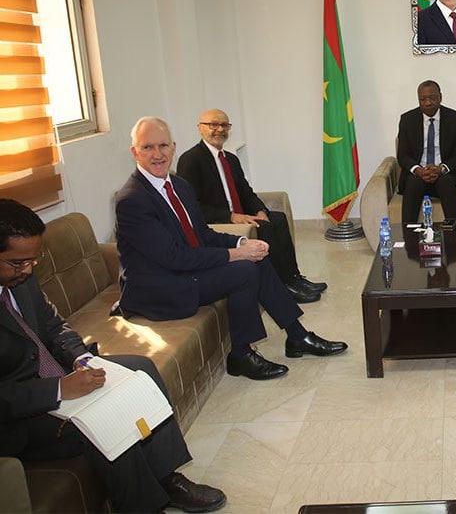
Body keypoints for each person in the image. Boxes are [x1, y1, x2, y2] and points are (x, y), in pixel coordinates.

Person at [0, 199, 226, 513]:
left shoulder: (21, 279)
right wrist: (58, 389)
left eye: (33, 261)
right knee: (109, 418)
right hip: (20, 418)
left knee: (140, 369)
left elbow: (53, 325)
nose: (27, 270)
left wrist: (81, 359)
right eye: (17, 263)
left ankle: (167, 478)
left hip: (58, 376)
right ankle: (143, 507)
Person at [115, 117, 347, 382]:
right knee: (244, 270)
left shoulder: (179, 186)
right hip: (160, 287)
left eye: (163, 146)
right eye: (147, 147)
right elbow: (174, 257)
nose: (157, 154)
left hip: (184, 271)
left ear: (173, 147)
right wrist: (236, 254)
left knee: (256, 259)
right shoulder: (132, 200)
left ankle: (297, 336)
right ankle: (241, 355)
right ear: (135, 152)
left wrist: (241, 243)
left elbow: (202, 234)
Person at [176, 108, 326, 304]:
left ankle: (294, 278)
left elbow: (246, 192)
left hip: (239, 214)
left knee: (277, 218)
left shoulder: (230, 159)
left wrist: (260, 210)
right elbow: (191, 206)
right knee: (264, 227)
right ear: (200, 128)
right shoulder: (190, 159)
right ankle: (283, 287)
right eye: (213, 124)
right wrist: (231, 217)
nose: (220, 129)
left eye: (224, 125)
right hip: (219, 220)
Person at [397, 80, 456, 224]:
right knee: (413, 183)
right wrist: (419, 170)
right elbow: (403, 155)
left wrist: (441, 169)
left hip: (444, 173)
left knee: (446, 183)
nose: (428, 103)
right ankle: (409, 233)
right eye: (423, 99)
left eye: (432, 98)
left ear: (440, 97)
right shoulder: (407, 119)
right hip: (418, 174)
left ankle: (454, 233)